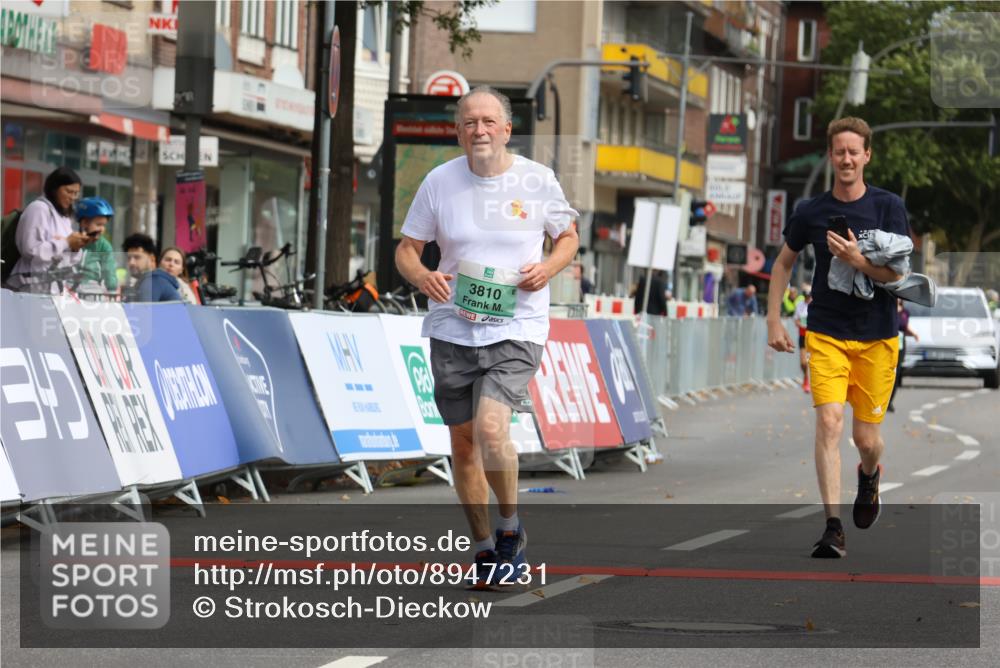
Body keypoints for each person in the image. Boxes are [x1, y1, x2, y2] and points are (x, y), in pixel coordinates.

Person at [394, 86, 579, 588]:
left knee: (493, 429)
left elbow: (567, 236)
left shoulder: (537, 180)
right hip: (453, 326)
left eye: (488, 121)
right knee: (464, 442)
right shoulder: (438, 182)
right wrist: (421, 276)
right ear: (458, 131)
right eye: (469, 122)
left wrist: (547, 268)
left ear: (506, 129)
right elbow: (407, 249)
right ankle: (483, 550)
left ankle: (509, 529)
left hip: (517, 327)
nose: (479, 130)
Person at [767, 117, 910, 559]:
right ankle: (832, 527)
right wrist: (774, 319)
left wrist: (857, 259)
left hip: (877, 335)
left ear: (867, 155)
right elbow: (783, 264)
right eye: (839, 151)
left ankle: (869, 476)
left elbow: (899, 275)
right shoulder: (810, 211)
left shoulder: (888, 207)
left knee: (867, 440)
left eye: (854, 151)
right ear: (830, 156)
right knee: (829, 422)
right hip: (826, 330)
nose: (846, 159)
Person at [7, 167, 91, 292]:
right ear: (54, 189)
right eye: (69, 191)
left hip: (52, 287)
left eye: (76, 193)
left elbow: (67, 259)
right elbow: (30, 250)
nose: (73, 197)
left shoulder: (64, 217)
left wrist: (75, 247)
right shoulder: (39, 209)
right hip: (28, 284)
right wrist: (65, 242)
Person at [121, 233, 182, 303]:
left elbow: (142, 312)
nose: (131, 262)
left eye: (137, 257)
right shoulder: (153, 280)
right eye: (129, 258)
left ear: (152, 259)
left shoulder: (152, 281)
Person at [76, 197, 119, 293]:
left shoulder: (104, 246)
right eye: (98, 224)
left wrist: (112, 291)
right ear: (84, 223)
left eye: (104, 225)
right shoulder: (73, 240)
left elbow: (109, 271)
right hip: (68, 290)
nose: (102, 229)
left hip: (91, 291)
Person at [887, 299, 918, 413]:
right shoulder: (886, 309)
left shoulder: (905, 312)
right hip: (886, 345)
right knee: (885, 373)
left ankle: (889, 401)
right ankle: (881, 400)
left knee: (896, 374)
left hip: (900, 347)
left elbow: (905, 327)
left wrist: (914, 334)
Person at [794, 288, 813, 393]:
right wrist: (800, 324)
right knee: (803, 363)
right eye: (806, 297)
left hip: (813, 336)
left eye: (809, 297)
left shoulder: (815, 305)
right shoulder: (800, 305)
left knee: (812, 361)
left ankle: (811, 382)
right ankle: (806, 378)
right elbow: (796, 320)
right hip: (802, 335)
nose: (807, 299)